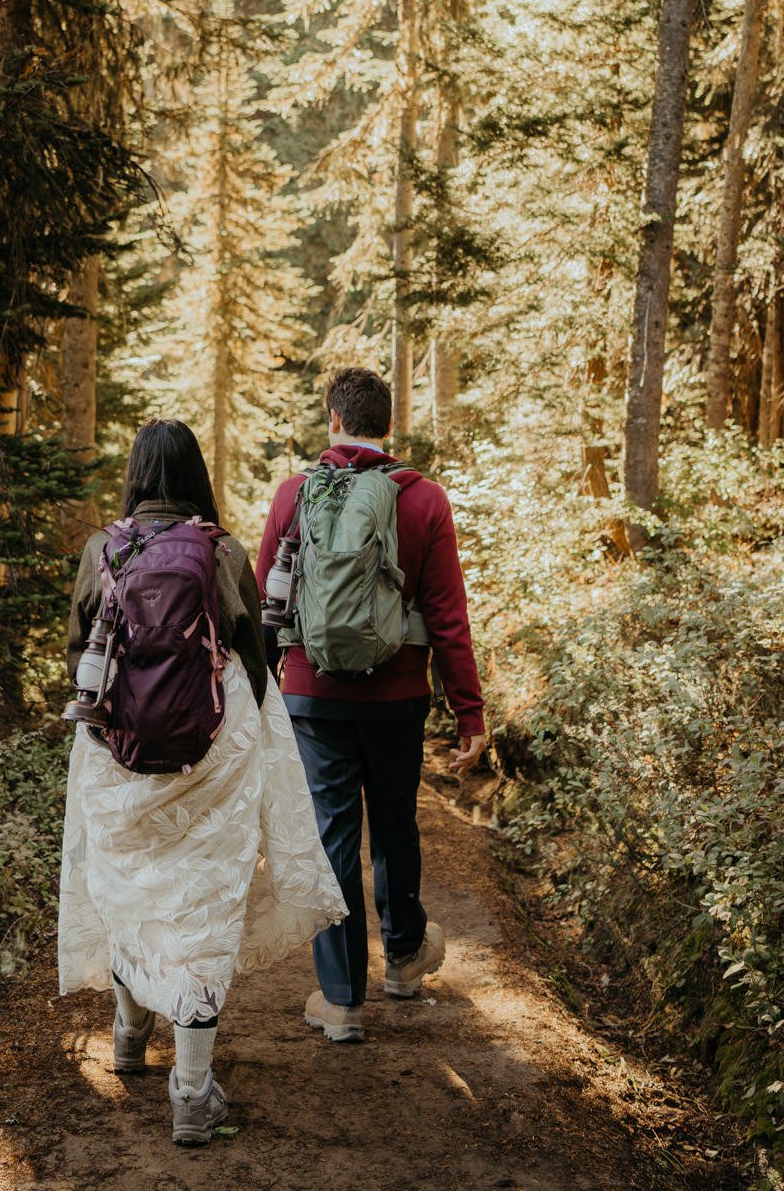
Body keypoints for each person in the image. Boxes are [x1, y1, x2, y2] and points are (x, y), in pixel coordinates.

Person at [58, 418, 348, 1146]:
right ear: (194, 477)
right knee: (201, 907)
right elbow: (256, 656)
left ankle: (128, 1034)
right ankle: (190, 1091)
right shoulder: (220, 550)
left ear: (134, 474)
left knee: (130, 890)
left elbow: (77, 654)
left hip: (118, 753)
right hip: (212, 754)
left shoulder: (102, 548)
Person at [256, 366, 486, 1044]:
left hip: (312, 695)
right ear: (388, 425)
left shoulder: (295, 494)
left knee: (332, 837)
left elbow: (268, 603)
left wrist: (262, 688)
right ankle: (406, 961)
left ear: (333, 419)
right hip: (397, 695)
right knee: (393, 827)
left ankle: (341, 998)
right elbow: (448, 616)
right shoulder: (423, 500)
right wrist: (468, 711)